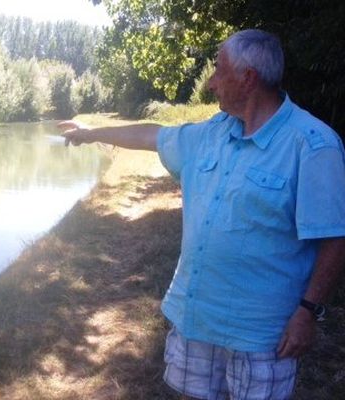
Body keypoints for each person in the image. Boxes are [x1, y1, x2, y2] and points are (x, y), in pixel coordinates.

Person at [59, 29, 345, 400]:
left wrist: (308, 312)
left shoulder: (313, 145)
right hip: (196, 319)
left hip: (261, 334)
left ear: (248, 78)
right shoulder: (212, 133)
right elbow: (152, 136)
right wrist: (91, 133)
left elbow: (334, 237)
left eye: (217, 70)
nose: (210, 83)